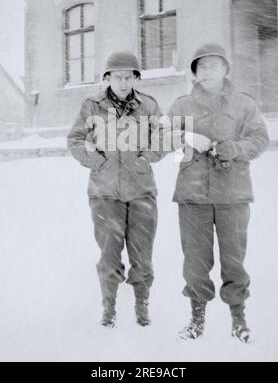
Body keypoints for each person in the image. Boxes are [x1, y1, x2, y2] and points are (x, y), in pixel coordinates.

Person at [167, 43, 269, 343]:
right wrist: (185, 136)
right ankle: (196, 319)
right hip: (193, 195)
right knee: (195, 261)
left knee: (234, 259)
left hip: (233, 195)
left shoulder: (243, 104)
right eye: (201, 66)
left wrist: (236, 148)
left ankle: (239, 319)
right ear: (195, 74)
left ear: (226, 69)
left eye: (214, 65)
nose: (207, 71)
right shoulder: (182, 105)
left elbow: (260, 137)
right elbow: (158, 135)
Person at [67, 51, 162, 328]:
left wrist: (146, 158)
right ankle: (109, 307)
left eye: (128, 76)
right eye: (117, 77)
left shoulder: (149, 106)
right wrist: (98, 162)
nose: (123, 82)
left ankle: (142, 305)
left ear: (135, 78)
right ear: (107, 78)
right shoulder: (92, 106)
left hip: (142, 191)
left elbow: (164, 137)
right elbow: (75, 139)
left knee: (142, 254)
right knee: (109, 254)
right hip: (105, 194)